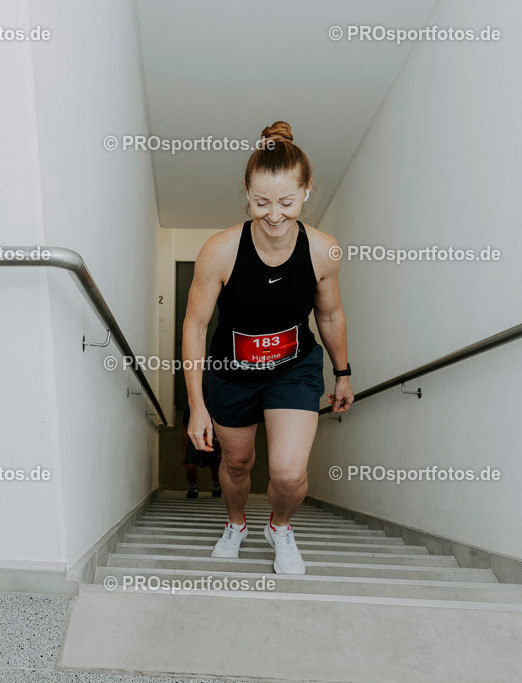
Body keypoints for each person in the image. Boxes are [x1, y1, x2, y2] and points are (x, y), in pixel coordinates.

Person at [182, 121, 354, 574]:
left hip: (292, 369)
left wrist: (343, 372)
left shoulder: (323, 250)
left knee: (288, 474)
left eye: (287, 202)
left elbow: (331, 315)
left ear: (307, 192)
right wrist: (196, 406)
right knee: (237, 464)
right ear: (246, 193)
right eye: (261, 203)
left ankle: (279, 527)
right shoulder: (218, 250)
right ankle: (236, 523)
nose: (274, 214)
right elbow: (195, 326)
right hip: (230, 373)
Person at [180, 403, 222, 498]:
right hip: (194, 439)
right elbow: (185, 431)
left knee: (215, 465)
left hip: (212, 439)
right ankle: (193, 488)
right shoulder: (189, 409)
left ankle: (216, 486)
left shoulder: (216, 406)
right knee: (190, 466)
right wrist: (183, 452)